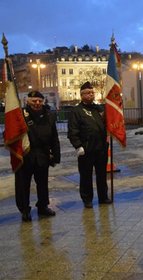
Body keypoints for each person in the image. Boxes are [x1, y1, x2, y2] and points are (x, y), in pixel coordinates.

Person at [15, 91, 60, 222]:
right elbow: (10, 133)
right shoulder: (20, 115)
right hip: (25, 156)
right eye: (34, 101)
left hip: (42, 155)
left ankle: (43, 206)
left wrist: (56, 156)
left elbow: (54, 137)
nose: (37, 103)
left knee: (42, 184)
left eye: (39, 101)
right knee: (23, 185)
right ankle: (24, 210)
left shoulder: (49, 115)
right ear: (27, 101)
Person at [68, 81, 112, 208]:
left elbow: (106, 124)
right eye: (87, 93)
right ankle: (87, 199)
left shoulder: (99, 109)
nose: (90, 95)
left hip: (101, 148)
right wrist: (78, 146)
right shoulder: (77, 111)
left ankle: (103, 197)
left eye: (92, 92)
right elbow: (72, 131)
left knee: (102, 175)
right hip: (86, 149)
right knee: (86, 176)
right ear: (81, 95)